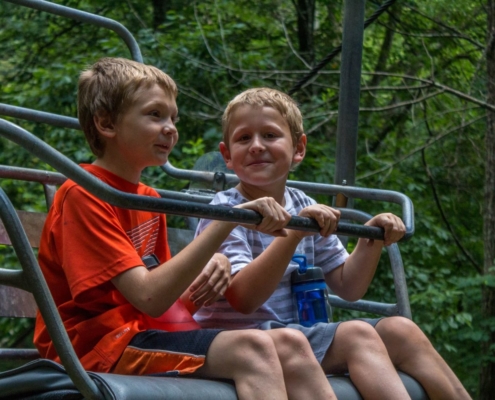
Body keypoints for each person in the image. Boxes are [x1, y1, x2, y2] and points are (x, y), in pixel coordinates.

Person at [33, 59, 338, 400]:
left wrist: (211, 272)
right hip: (97, 347)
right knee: (252, 348)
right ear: (106, 123)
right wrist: (226, 221)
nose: (171, 128)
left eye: (173, 118)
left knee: (289, 342)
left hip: (146, 334)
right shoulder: (85, 193)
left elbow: (167, 304)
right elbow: (150, 297)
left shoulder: (148, 199)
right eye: (155, 115)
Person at [195, 87, 472, 400]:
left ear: (299, 148)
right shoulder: (226, 212)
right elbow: (244, 299)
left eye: (270, 135)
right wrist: (295, 232)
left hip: (295, 335)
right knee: (356, 334)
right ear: (227, 155)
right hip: (245, 340)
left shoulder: (302, 202)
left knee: (401, 330)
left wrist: (371, 240)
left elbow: (347, 285)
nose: (257, 146)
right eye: (244, 138)